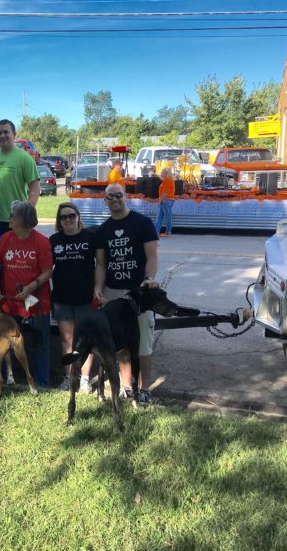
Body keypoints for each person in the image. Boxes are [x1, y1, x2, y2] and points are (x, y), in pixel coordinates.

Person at [94, 183, 159, 404]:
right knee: (120, 343)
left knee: (143, 343)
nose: (114, 200)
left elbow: (151, 256)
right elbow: (101, 265)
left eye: (118, 196)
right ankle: (125, 385)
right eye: (109, 197)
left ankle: (145, 388)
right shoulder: (102, 230)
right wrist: (98, 288)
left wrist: (149, 279)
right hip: (113, 293)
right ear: (105, 201)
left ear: (126, 196)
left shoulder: (142, 223)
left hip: (138, 293)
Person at [0, 201, 53, 388]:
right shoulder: (5, 239)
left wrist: (30, 287)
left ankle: (42, 383)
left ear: (24, 220)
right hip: (9, 303)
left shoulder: (41, 241)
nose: (8, 218)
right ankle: (3, 380)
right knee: (3, 343)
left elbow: (47, 271)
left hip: (37, 302)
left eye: (12, 215)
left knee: (39, 344)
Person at [49, 202, 97, 392]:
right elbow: (46, 268)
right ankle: (69, 378)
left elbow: (100, 265)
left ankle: (84, 379)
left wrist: (99, 288)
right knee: (67, 339)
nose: (68, 220)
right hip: (62, 296)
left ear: (78, 216)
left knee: (86, 339)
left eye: (71, 215)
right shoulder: (54, 240)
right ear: (59, 221)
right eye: (63, 217)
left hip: (86, 296)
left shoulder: (90, 237)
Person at [0, 120, 40, 235]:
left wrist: (27, 212)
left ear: (14, 134)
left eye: (6, 132)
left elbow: (34, 187)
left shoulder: (24, 158)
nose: (2, 135)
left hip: (17, 220)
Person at [156, 167, 176, 237]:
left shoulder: (168, 180)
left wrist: (160, 200)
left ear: (165, 173)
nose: (161, 174)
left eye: (162, 172)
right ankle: (157, 231)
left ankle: (168, 232)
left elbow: (165, 192)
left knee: (166, 217)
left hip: (166, 200)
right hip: (165, 200)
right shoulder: (168, 180)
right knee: (159, 216)